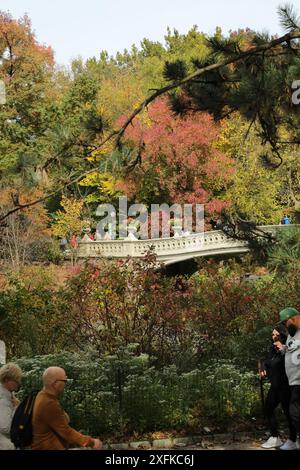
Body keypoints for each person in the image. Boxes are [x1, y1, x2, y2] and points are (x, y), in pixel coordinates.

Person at [31, 367, 102, 450]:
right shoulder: (48, 403)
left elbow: (61, 420)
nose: (66, 383)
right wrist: (91, 442)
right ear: (55, 383)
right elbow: (66, 432)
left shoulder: (43, 396)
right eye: (64, 381)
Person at [260, 326, 298, 450]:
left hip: (286, 387)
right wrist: (263, 369)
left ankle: (293, 440)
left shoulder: (289, 349)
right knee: (268, 408)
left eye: (276, 334)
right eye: (272, 335)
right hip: (275, 387)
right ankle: (275, 437)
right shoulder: (273, 349)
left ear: (282, 335)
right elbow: (266, 362)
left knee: (289, 414)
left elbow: (293, 362)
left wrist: (284, 350)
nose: (274, 337)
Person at [276, 307, 300, 447]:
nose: (285, 326)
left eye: (286, 322)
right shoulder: (292, 333)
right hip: (293, 380)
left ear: (294, 318)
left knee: (294, 412)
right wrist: (284, 348)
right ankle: (293, 441)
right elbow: (292, 349)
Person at [0, 362, 22, 450]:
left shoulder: (9, 394)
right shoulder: (3, 400)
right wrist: (17, 408)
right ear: (6, 379)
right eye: (16, 380)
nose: (18, 383)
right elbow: (5, 427)